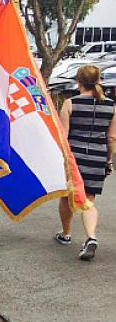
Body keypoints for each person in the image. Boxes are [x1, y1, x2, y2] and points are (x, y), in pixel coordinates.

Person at [56, 65, 116, 261]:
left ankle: (66, 234)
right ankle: (91, 237)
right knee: (88, 198)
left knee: (66, 196)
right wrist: (108, 160)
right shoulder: (111, 105)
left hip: (74, 157)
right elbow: (112, 138)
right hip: (97, 157)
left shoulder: (70, 103)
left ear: (78, 81)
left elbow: (63, 136)